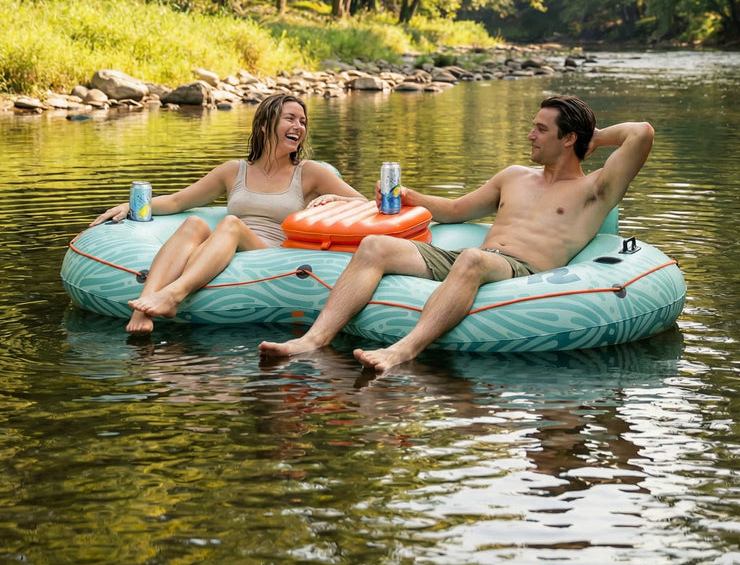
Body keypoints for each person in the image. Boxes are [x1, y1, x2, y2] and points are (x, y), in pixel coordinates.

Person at [259, 95, 655, 373]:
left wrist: (591, 135)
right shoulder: (514, 176)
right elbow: (454, 210)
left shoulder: (595, 190)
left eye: (540, 129)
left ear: (568, 138)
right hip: (474, 259)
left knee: (473, 258)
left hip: (525, 271)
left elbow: (642, 133)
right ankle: (314, 340)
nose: (530, 135)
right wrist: (408, 195)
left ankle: (403, 350)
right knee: (375, 246)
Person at [90, 93, 366, 334]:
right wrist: (131, 207)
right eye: (290, 119)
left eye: (303, 122)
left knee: (231, 224)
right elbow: (177, 202)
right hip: (229, 244)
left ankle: (174, 294)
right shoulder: (234, 170)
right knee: (194, 223)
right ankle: (143, 310)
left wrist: (333, 197)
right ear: (263, 125)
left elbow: (364, 204)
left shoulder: (309, 172)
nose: (299, 127)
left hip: (273, 252)